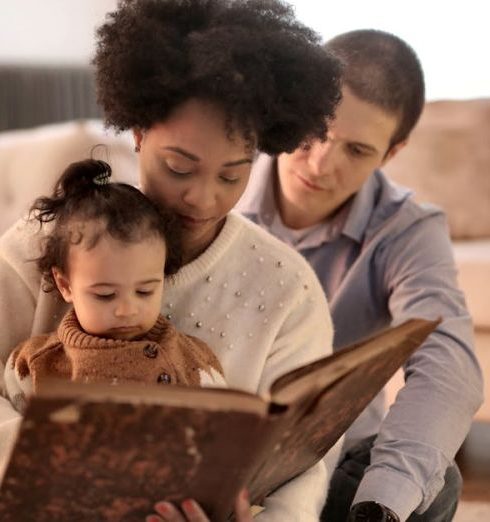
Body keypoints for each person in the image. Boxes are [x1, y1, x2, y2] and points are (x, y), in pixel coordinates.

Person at [0, 1, 344, 521]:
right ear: (137, 133)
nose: (203, 200)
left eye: (233, 175)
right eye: (179, 167)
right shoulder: (40, 245)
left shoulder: (287, 289)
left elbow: (300, 465)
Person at [236, 29, 484, 522]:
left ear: (392, 153)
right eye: (317, 129)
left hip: (325, 467)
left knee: (430, 484)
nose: (321, 164)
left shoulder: (406, 229)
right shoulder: (220, 181)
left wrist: (381, 506)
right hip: (213, 462)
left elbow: (449, 365)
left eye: (356, 150)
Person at [3, 158, 226, 413]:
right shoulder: (35, 364)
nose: (127, 310)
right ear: (65, 285)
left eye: (145, 291)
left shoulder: (194, 360)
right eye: (105, 295)